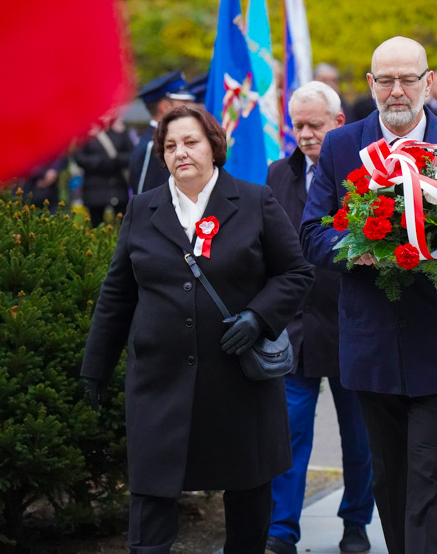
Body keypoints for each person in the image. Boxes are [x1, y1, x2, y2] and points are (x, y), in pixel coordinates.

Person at [81, 104, 314, 554]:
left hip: (237, 381)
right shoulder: (142, 208)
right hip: (159, 380)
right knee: (151, 494)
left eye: (190, 142)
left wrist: (258, 317)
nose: (180, 152)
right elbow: (117, 293)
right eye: (170, 146)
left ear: (213, 146)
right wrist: (96, 367)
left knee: (247, 493)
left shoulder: (253, 200)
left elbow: (296, 273)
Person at [300, 36, 437, 554]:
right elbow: (311, 232)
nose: (397, 90)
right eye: (386, 80)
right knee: (389, 479)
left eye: (409, 79)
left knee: (429, 475)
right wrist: (357, 249)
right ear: (370, 85)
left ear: (429, 82)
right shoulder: (341, 147)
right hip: (371, 344)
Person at [264, 81, 375, 554]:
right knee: (288, 434)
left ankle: (356, 522)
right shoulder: (277, 175)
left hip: (351, 324)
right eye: (299, 125)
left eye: (316, 125)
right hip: (295, 330)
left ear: (339, 124)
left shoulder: (368, 175)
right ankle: (282, 530)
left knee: (360, 438)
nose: (306, 134)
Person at [128, 70, 195, 196]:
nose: (190, 107)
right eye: (184, 103)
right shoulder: (152, 147)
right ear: (164, 107)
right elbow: (146, 199)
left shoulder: (163, 141)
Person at [74, 119, 133, 226]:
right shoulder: (85, 133)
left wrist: (116, 160)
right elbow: (79, 157)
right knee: (97, 224)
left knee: (123, 223)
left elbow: (132, 154)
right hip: (94, 187)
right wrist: (100, 161)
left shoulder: (119, 131)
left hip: (117, 186)